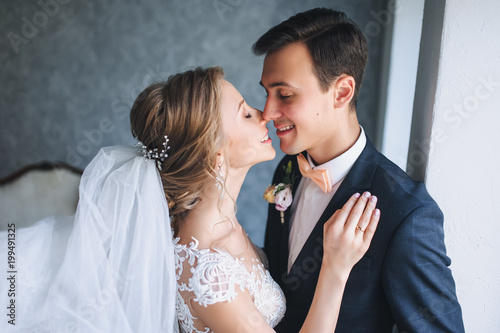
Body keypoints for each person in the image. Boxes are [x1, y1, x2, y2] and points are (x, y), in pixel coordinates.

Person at [0, 67, 379, 333]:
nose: (264, 115)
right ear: (215, 154)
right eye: (245, 114)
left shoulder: (219, 225)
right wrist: (335, 267)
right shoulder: (205, 272)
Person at [253, 8, 465, 333]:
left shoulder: (406, 212)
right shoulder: (287, 169)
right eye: (266, 93)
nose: (267, 112)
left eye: (285, 95)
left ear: (341, 92)